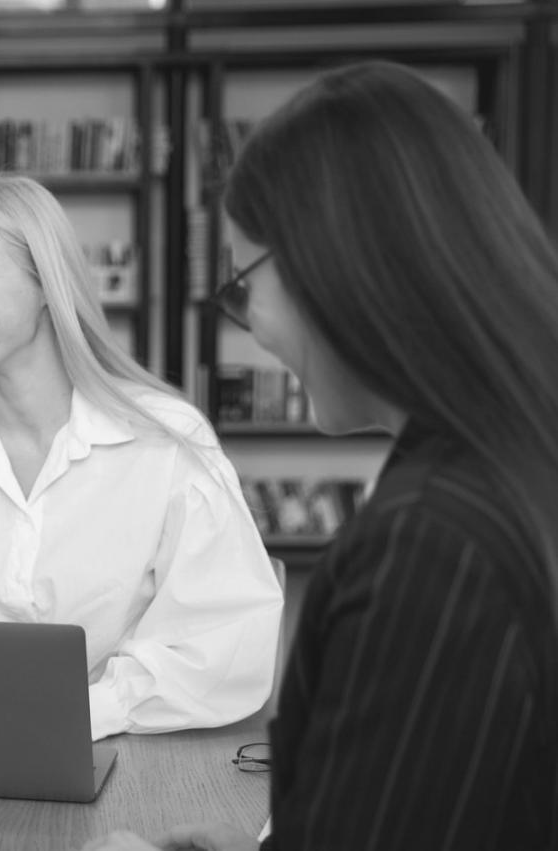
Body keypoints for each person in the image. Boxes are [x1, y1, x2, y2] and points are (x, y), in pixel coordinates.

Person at [82, 61, 558, 851]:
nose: (246, 326)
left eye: (243, 284)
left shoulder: (431, 547)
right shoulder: (514, 459)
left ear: (337, 258)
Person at [0, 176, 284, 741]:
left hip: (130, 754)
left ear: (46, 283)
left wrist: (82, 714)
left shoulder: (165, 440)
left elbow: (224, 643)